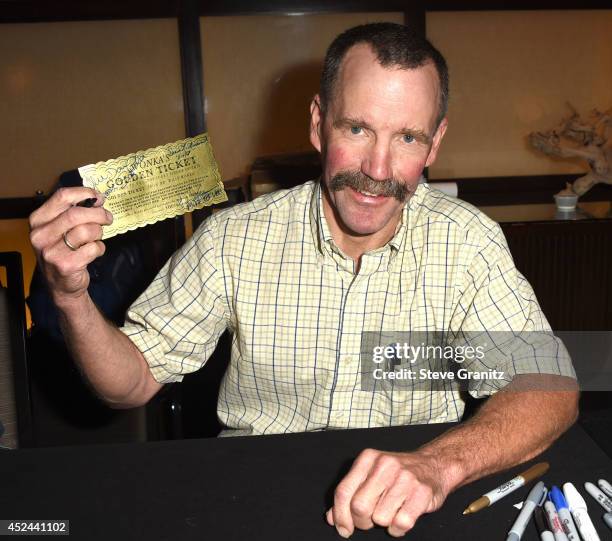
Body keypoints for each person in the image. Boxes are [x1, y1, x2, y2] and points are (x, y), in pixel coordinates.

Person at [29, 23, 578, 538]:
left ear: (434, 145)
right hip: (250, 500)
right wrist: (71, 297)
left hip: (408, 506)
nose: (379, 169)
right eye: (357, 128)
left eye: (408, 138)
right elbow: (129, 384)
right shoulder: (232, 237)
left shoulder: (467, 241)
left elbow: (550, 389)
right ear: (318, 123)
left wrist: (437, 465)